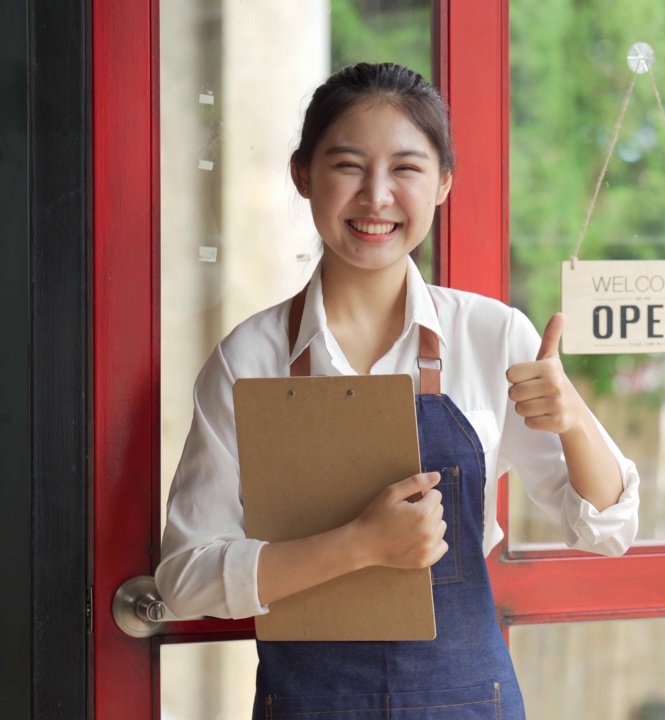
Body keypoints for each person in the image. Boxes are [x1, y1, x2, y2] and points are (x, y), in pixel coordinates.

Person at [156, 62, 640, 720]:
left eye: (406, 169)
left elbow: (609, 529)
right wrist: (359, 545)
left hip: (469, 701)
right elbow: (184, 581)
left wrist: (575, 419)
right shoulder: (251, 358)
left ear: (443, 183)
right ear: (304, 175)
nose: (377, 196)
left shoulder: (493, 335)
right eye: (348, 165)